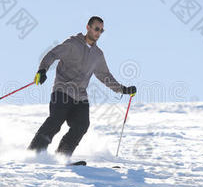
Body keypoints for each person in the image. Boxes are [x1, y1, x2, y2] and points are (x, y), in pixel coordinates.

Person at [28, 16, 137, 156]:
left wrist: (123, 89)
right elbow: (53, 54)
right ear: (88, 27)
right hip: (62, 91)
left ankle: (62, 156)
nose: (98, 33)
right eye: (96, 29)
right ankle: (34, 153)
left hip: (80, 97)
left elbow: (105, 76)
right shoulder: (73, 44)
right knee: (55, 121)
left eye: (101, 31)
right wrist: (42, 70)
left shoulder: (98, 55)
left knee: (81, 125)